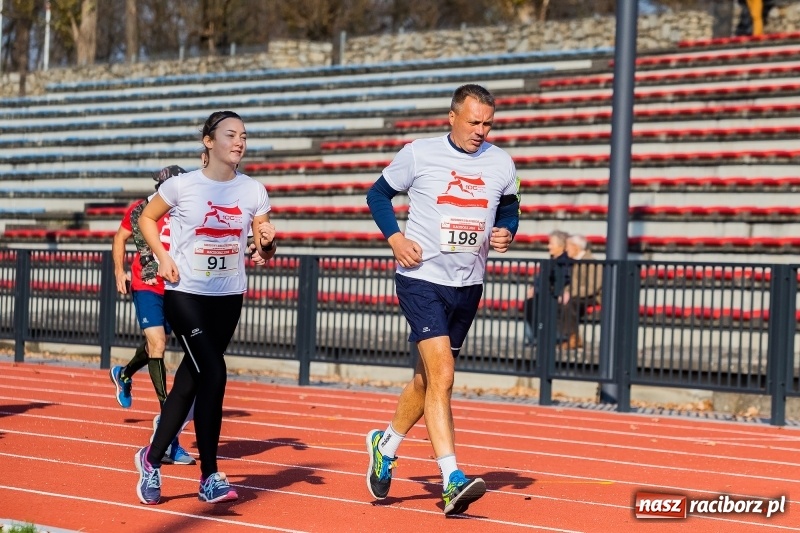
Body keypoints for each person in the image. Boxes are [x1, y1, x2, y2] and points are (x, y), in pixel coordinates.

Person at [365, 84, 520, 516]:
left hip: (468, 284)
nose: (481, 131)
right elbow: (377, 194)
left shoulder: (501, 162)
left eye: (488, 123)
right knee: (445, 375)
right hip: (421, 279)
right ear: (451, 117)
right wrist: (395, 238)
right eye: (474, 122)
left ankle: (386, 444)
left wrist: (508, 230)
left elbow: (509, 207)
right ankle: (451, 479)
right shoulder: (418, 153)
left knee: (426, 380)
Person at [133, 110, 277, 506]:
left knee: (190, 382)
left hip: (229, 297)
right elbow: (146, 218)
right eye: (230, 135)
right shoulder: (182, 186)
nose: (239, 142)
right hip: (186, 293)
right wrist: (162, 255)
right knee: (214, 373)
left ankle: (150, 458)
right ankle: (210, 475)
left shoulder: (253, 191)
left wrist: (266, 241)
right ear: (208, 142)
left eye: (244, 136)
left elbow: (264, 247)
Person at [110, 164, 195, 466]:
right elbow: (119, 238)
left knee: (153, 347)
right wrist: (119, 271)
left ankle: (123, 374)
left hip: (177, 288)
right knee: (157, 344)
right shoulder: (142, 210)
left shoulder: (189, 211)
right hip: (146, 285)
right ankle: (167, 422)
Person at [523, 230, 572, 346]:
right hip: (544, 292)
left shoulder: (564, 262)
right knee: (529, 303)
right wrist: (533, 287)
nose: (549, 246)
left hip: (552, 293)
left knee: (534, 304)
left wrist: (537, 289)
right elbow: (540, 279)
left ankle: (538, 337)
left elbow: (560, 280)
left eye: (551, 243)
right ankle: (534, 336)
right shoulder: (553, 260)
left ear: (561, 245)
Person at [560, 234, 602, 350]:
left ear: (576, 247)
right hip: (579, 294)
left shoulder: (591, 262)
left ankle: (573, 338)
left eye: (568, 246)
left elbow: (592, 287)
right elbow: (571, 284)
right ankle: (563, 336)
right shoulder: (577, 261)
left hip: (592, 296)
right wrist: (565, 292)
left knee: (571, 303)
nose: (566, 249)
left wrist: (571, 294)